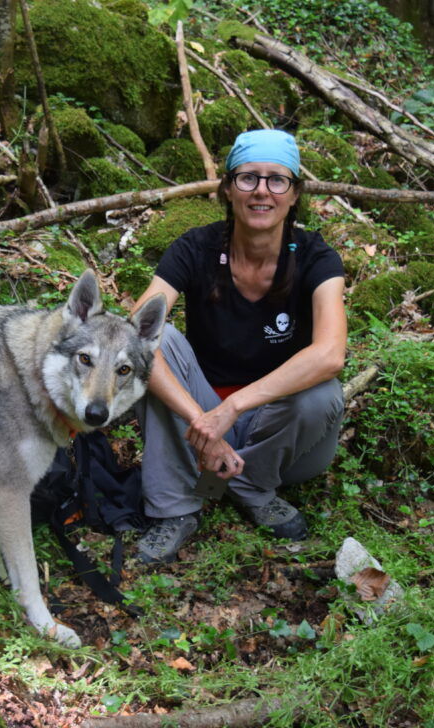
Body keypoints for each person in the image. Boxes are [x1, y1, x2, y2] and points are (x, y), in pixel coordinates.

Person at [132, 129, 347, 564]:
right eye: (248, 178)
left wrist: (233, 409)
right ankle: (176, 508)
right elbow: (134, 332)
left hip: (281, 433)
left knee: (322, 391)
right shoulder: (196, 248)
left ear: (294, 194)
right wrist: (204, 421)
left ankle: (253, 485)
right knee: (154, 340)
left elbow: (330, 354)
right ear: (228, 189)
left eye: (276, 180)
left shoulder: (315, 257)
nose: (262, 191)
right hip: (200, 423)